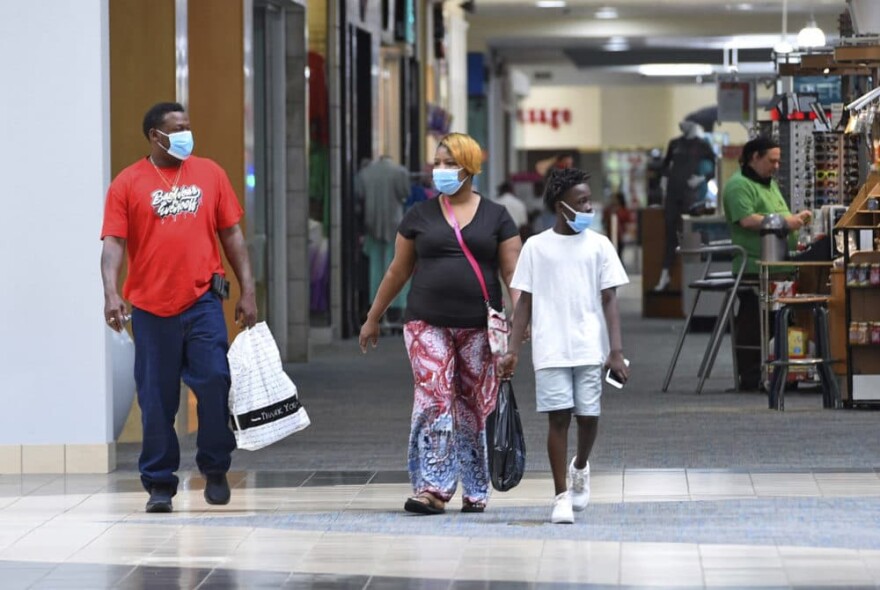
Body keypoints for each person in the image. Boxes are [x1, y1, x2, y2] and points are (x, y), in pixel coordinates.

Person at [101, 102, 257, 513]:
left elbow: (233, 234)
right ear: (156, 135)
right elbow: (113, 243)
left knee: (214, 380)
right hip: (151, 310)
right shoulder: (127, 183)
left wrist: (248, 290)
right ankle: (159, 483)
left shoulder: (210, 174)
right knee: (156, 400)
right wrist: (110, 292)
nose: (188, 133)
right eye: (179, 128)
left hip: (203, 300)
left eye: (188, 125)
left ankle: (216, 467)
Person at [359, 132, 522, 515]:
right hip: (425, 323)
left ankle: (476, 487)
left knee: (473, 406)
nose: (441, 170)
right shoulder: (419, 215)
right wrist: (372, 317)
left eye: (450, 163)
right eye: (438, 163)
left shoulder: (497, 216)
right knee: (435, 399)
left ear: (470, 167)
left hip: (479, 327)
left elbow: (513, 273)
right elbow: (397, 271)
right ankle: (432, 486)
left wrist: (520, 321)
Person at [499, 167, 629, 524]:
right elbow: (523, 302)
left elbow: (610, 300)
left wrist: (615, 350)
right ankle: (560, 496)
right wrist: (514, 349)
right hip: (551, 347)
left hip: (590, 346)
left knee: (588, 417)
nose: (589, 207)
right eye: (581, 202)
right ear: (561, 206)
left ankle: (580, 465)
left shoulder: (600, 245)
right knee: (558, 419)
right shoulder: (536, 247)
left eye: (589, 200)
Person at [722, 135, 812, 390]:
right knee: (754, 319)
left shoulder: (768, 184)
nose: (775, 166)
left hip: (780, 265)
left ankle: (782, 372)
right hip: (754, 267)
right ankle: (751, 375)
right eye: (771, 161)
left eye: (778, 161)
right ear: (754, 158)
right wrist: (787, 222)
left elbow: (777, 214)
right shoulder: (738, 186)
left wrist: (795, 220)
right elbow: (747, 220)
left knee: (779, 321)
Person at [654, 120, 716, 291]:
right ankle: (665, 276)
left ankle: (700, 274)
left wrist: (702, 179)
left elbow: (716, 165)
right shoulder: (675, 143)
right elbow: (665, 166)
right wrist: (664, 181)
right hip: (673, 193)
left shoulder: (702, 144)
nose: (683, 126)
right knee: (670, 235)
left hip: (690, 193)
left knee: (693, 234)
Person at [602, 191, 633, 261]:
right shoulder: (608, 210)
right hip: (609, 235)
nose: (613, 200)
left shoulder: (624, 210)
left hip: (620, 237)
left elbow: (627, 222)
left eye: (615, 198)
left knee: (619, 255)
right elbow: (604, 220)